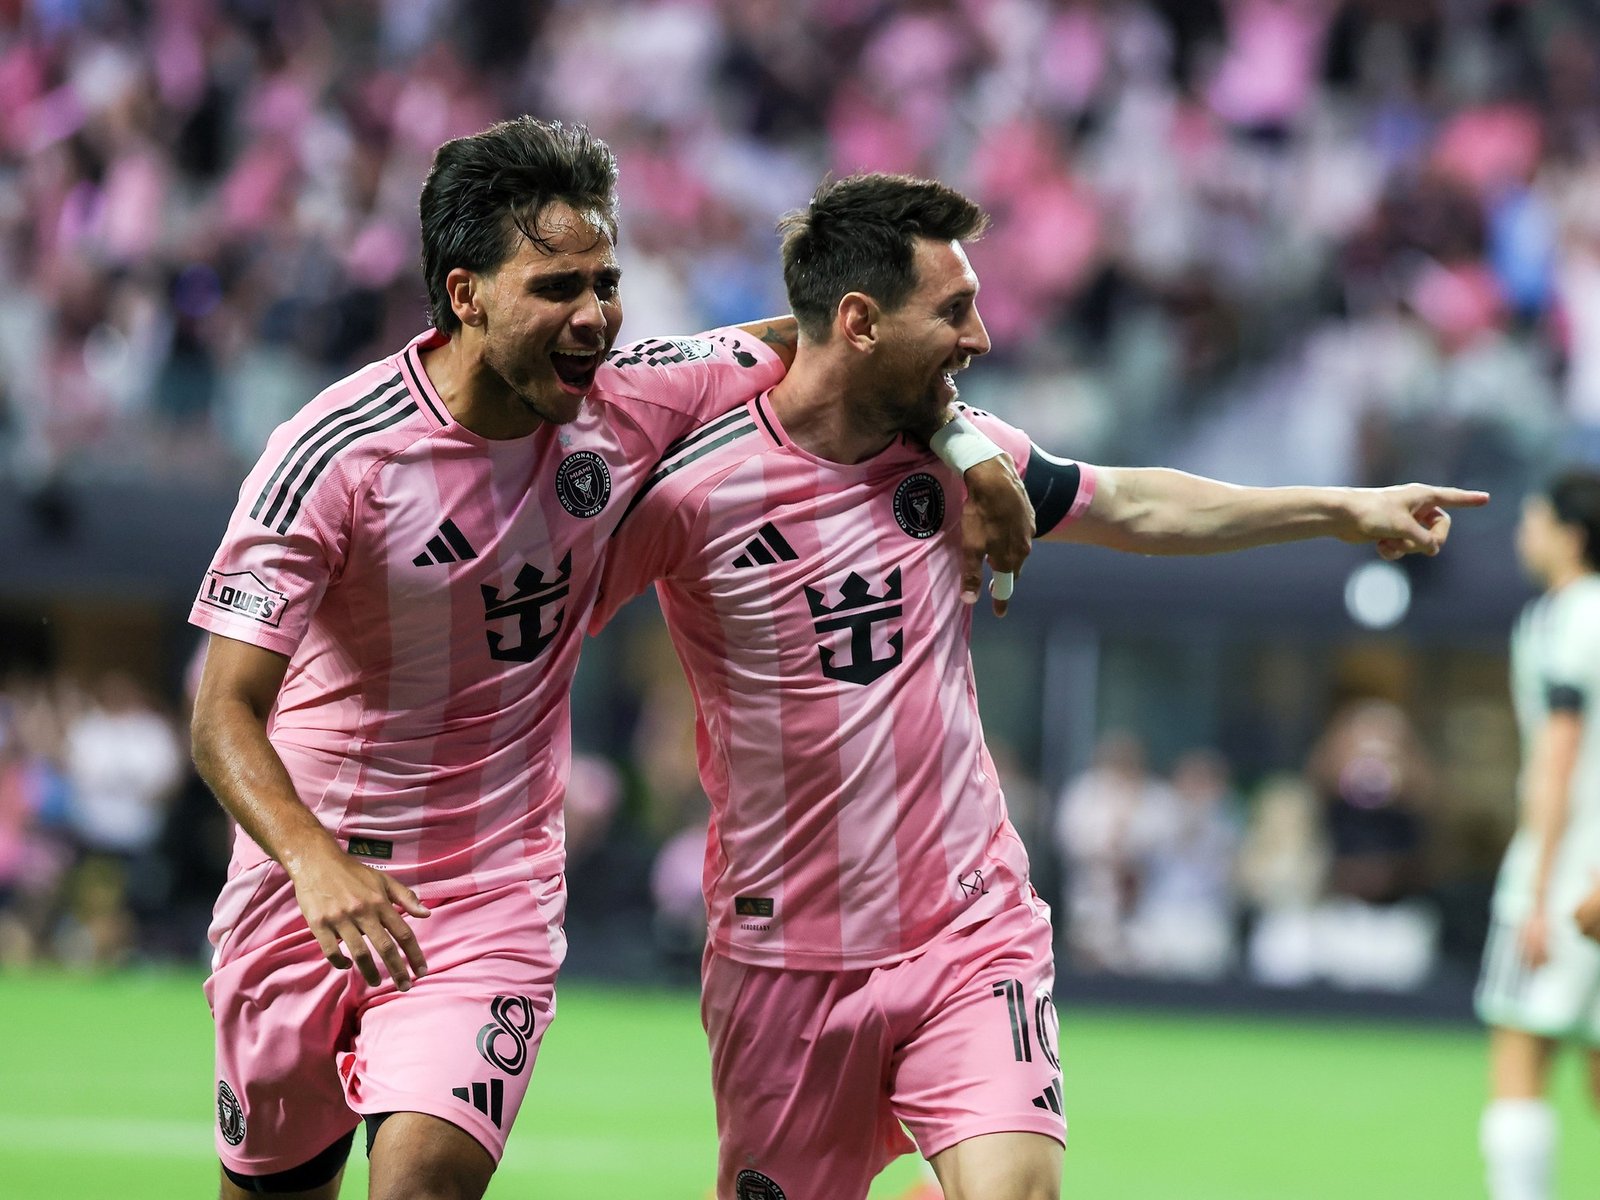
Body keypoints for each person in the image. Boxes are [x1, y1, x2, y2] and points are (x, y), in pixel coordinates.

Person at [591, 172, 1488, 1200]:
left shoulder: (955, 454)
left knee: (1016, 1187)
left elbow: (1136, 506)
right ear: (860, 322)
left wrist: (1339, 508)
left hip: (965, 923)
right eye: (952, 311)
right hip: (782, 951)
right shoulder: (691, 490)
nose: (979, 337)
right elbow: (553, 616)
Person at [187, 120, 1032, 1200]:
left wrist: (964, 442)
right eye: (556, 288)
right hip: (306, 882)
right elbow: (223, 712)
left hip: (489, 889)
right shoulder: (334, 454)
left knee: (425, 1178)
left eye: (607, 282)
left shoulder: (635, 397)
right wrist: (313, 861)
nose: (593, 316)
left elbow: (851, 338)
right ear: (465, 295)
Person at [1477, 470, 1600, 1200]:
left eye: (1534, 520)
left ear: (1570, 536)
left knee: (1519, 1057)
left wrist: (1537, 891)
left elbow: (1560, 753)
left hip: (1570, 875)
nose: (1524, 535)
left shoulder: (1564, 618)